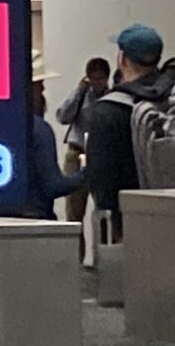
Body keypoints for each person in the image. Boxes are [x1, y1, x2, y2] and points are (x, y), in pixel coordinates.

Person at [87, 24, 174, 238]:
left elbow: (102, 186)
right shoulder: (170, 101)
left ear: (122, 59)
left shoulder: (107, 111)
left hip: (132, 229)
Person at [28, 50, 86, 220]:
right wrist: (85, 172)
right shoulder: (38, 129)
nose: (43, 89)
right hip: (37, 220)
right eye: (39, 84)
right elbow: (53, 186)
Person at [55, 57, 110, 234]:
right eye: (93, 78)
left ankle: (100, 249)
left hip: (101, 155)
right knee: (74, 211)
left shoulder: (111, 99)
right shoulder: (81, 96)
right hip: (77, 152)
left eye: (100, 79)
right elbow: (63, 117)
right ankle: (76, 251)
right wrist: (78, 92)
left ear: (107, 78)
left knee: (104, 208)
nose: (97, 83)